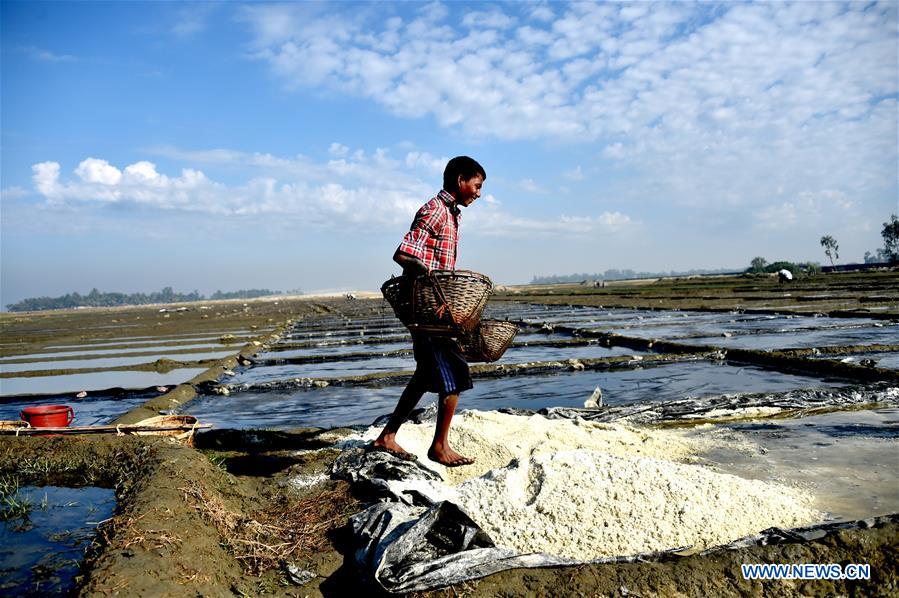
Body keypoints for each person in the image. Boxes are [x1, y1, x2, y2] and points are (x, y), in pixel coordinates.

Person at [373, 156, 486, 467]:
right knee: (457, 374)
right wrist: (429, 279)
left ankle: (387, 436)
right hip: (428, 315)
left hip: (436, 310)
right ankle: (439, 446)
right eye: (476, 186)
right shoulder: (434, 211)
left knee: (424, 375)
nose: (478, 193)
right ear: (461, 180)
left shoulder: (452, 215)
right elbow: (404, 253)